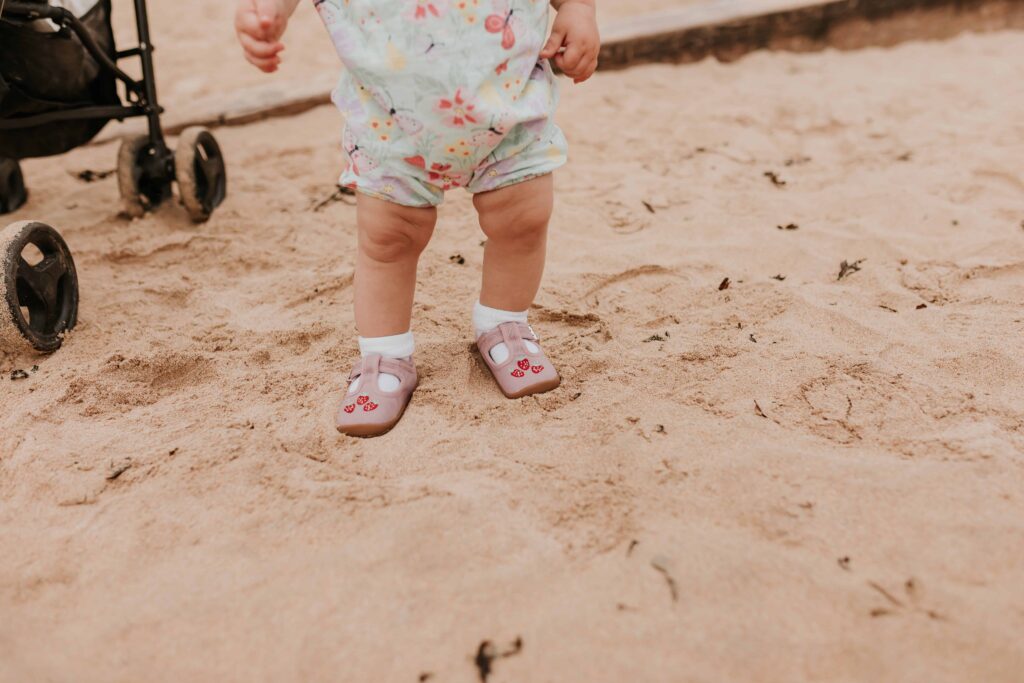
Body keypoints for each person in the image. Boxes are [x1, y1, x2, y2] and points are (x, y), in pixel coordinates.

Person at [235, 0, 600, 437]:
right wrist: (267, 12)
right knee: (389, 239)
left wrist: (578, 8)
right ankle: (384, 356)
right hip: (391, 121)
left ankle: (505, 324)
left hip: (507, 101)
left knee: (523, 219)